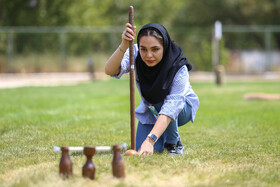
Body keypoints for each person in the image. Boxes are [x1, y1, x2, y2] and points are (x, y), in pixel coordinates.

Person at [105, 23, 199, 155]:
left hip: (182, 109)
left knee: (160, 100)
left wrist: (150, 140)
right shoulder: (136, 52)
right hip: (152, 109)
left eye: (155, 49)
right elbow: (110, 70)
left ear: (164, 47)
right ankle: (163, 138)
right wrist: (124, 44)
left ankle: (173, 142)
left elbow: (171, 106)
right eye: (144, 49)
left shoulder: (179, 68)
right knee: (142, 149)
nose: (148, 55)